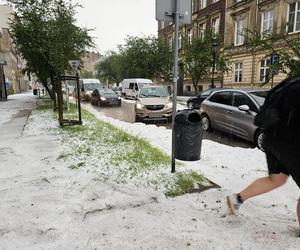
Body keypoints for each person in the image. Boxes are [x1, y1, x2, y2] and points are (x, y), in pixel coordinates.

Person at [226, 76, 300, 234]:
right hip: (291, 141)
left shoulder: (291, 82)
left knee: (276, 178)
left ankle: (236, 199)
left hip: (272, 136)